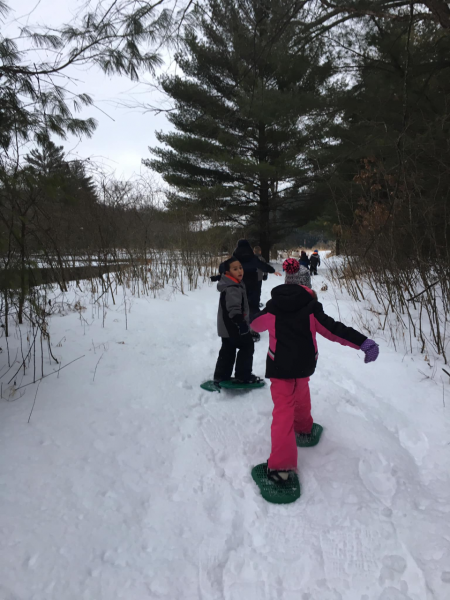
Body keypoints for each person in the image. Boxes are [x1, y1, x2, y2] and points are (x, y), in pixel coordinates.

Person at [250, 258, 379, 484]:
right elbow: (335, 330)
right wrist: (363, 343)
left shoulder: (272, 308)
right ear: (307, 285)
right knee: (301, 395)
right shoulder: (311, 309)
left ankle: (281, 468)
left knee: (283, 412)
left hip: (279, 368)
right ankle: (304, 429)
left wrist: (248, 317)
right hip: (304, 366)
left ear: (288, 282)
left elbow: (255, 325)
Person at [219, 239, 281, 342]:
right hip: (253, 286)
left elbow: (222, 267)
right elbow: (263, 266)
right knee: (253, 306)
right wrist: (273, 271)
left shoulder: (234, 259)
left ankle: (238, 328)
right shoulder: (253, 258)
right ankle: (253, 329)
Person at [213, 257, 261, 385]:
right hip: (234, 326)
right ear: (228, 273)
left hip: (226, 327)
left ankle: (221, 376)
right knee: (247, 346)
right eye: (235, 269)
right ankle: (243, 375)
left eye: (240, 267)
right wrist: (241, 324)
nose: (240, 271)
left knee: (228, 349)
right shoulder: (232, 287)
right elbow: (233, 309)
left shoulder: (231, 283)